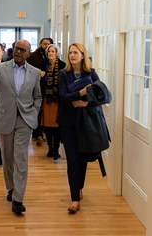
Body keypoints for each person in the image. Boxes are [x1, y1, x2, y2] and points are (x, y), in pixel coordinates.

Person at [0, 40, 42, 214]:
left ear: (28, 53)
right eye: (16, 49)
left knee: (21, 157)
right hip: (5, 118)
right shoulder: (1, 68)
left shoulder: (34, 73)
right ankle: (11, 187)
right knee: (8, 157)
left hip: (25, 120)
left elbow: (38, 96)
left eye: (22, 50)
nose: (18, 52)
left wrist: (33, 113)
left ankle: (18, 198)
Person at [57, 42, 100, 213]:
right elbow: (63, 97)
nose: (72, 55)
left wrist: (86, 101)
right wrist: (81, 92)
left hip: (85, 122)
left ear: (83, 55)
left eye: (75, 52)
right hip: (67, 122)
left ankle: (79, 187)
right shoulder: (63, 74)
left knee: (82, 158)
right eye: (70, 53)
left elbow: (101, 95)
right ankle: (74, 198)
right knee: (72, 160)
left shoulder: (91, 73)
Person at [40, 44, 66, 159]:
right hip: (47, 99)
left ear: (56, 53)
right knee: (48, 126)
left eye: (53, 51)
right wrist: (41, 76)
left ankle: (56, 150)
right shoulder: (43, 65)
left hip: (58, 99)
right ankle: (50, 148)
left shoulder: (62, 65)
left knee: (57, 126)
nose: (50, 53)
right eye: (49, 51)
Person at [27, 37, 54, 145]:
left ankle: (45, 132)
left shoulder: (52, 57)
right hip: (35, 86)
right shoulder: (33, 56)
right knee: (36, 110)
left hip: (48, 88)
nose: (46, 46)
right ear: (40, 44)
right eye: (44, 43)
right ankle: (36, 132)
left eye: (49, 44)